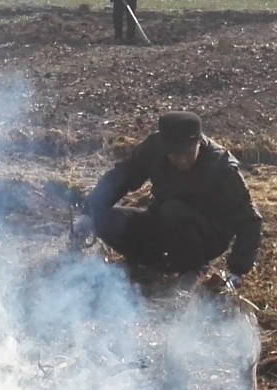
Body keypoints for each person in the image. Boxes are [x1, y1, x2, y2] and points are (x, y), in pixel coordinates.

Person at [77, 111, 263, 288]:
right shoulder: (154, 149)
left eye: (187, 153)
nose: (181, 160)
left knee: (172, 211)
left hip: (205, 235)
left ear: (199, 142)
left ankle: (192, 268)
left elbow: (249, 218)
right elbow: (123, 175)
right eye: (175, 154)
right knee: (103, 218)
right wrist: (90, 211)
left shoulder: (220, 166)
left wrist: (238, 271)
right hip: (163, 223)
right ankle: (152, 263)